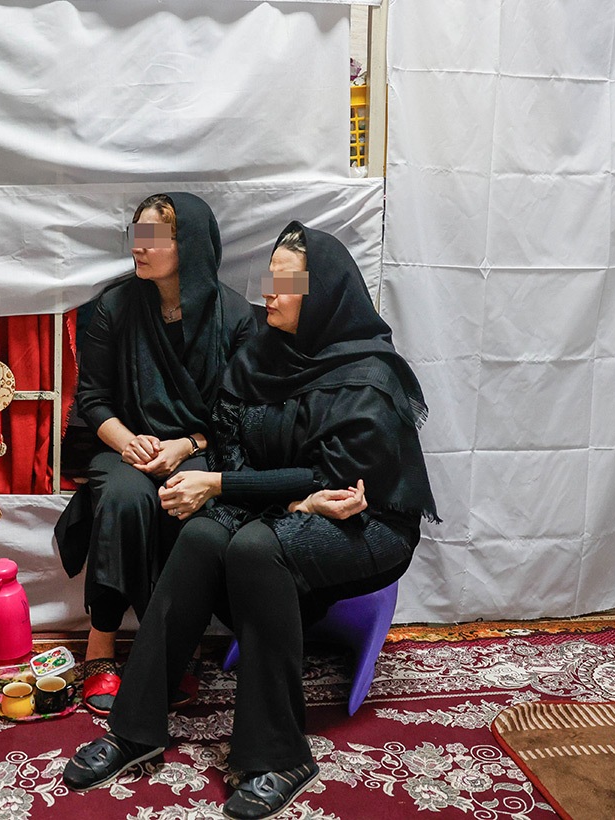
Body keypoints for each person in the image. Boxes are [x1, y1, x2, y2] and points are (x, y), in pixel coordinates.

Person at [61, 222, 438, 820]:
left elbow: (338, 482)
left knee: (257, 549)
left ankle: (279, 755)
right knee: (202, 535)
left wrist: (248, 491)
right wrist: (285, 501)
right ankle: (136, 728)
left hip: (366, 523)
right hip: (285, 504)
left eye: (288, 283)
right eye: (270, 278)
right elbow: (233, 448)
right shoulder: (259, 354)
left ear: (322, 293)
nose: (269, 292)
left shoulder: (368, 373)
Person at [55, 192, 255, 714]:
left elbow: (240, 412)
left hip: (200, 446)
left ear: (188, 246)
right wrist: (128, 441)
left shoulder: (236, 316)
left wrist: (187, 445)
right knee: (123, 499)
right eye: (136, 236)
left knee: (182, 499)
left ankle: (171, 644)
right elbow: (92, 399)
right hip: (124, 446)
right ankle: (100, 647)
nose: (138, 248)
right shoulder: (115, 306)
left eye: (153, 238)